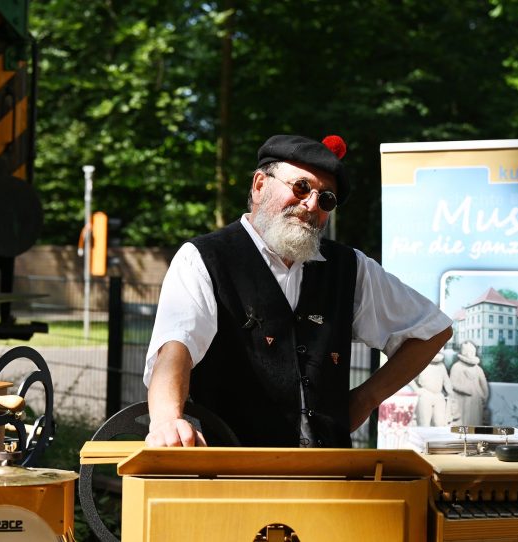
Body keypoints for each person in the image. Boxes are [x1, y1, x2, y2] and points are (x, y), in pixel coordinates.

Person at [143, 134, 453, 448]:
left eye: (326, 199)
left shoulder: (349, 267)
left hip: (328, 474)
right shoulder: (204, 259)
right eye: (301, 187)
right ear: (260, 186)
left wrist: (365, 399)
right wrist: (167, 418)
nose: (311, 205)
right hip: (232, 472)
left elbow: (432, 330)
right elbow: (175, 349)